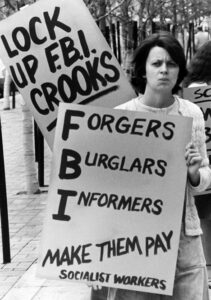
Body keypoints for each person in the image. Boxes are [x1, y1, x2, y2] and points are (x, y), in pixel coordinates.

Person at [91, 31, 211, 300]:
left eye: (171, 64)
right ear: (143, 70)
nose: (164, 70)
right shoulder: (122, 117)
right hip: (135, 240)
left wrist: (194, 175)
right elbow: (102, 187)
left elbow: (205, 174)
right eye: (156, 63)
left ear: (179, 70)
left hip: (184, 239)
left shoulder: (191, 114)